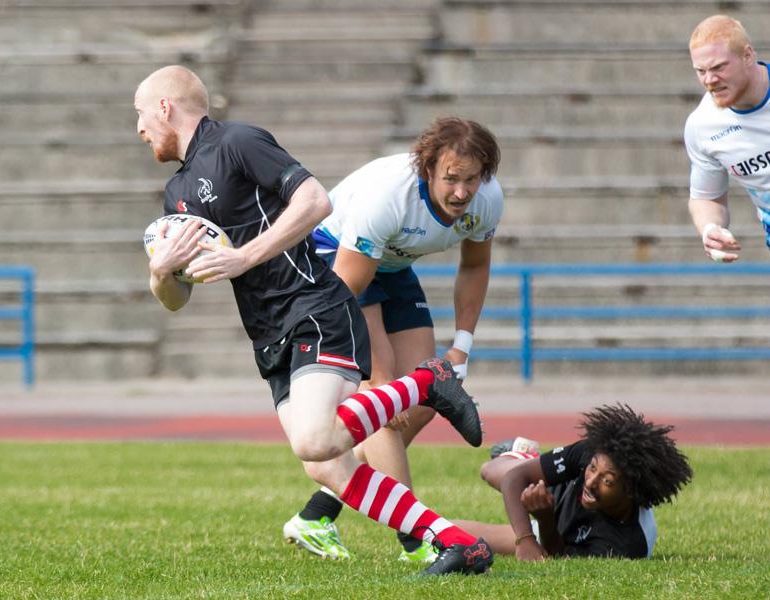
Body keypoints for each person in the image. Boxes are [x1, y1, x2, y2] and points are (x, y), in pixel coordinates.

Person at [135, 65, 492, 576]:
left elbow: (315, 200)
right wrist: (158, 273)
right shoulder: (177, 196)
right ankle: (456, 542)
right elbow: (175, 301)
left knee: (315, 438)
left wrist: (245, 257)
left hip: (313, 306)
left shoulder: (237, 142)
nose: (140, 128)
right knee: (324, 464)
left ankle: (425, 383)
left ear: (165, 106)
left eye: (141, 114)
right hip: (270, 335)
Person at [281, 117, 503, 563]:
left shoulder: (488, 201)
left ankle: (317, 514)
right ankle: (417, 541)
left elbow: (475, 267)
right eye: (451, 179)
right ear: (428, 171)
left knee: (423, 397)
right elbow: (346, 292)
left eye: (471, 180)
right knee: (383, 401)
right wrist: (375, 380)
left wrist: (462, 347)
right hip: (335, 259)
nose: (462, 192)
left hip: (393, 266)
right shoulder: (388, 198)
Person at [452, 404, 692, 560]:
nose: (591, 482)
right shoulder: (593, 452)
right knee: (490, 469)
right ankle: (524, 458)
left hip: (555, 524)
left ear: (631, 492)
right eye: (592, 469)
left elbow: (559, 557)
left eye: (607, 480)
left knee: (449, 533)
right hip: (558, 491)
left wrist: (545, 520)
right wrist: (524, 539)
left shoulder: (626, 546)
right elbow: (514, 479)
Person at [684, 14, 770, 262]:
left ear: (748, 56)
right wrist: (711, 229)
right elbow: (706, 197)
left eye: (719, 67)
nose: (709, 80)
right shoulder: (703, 126)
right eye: (701, 71)